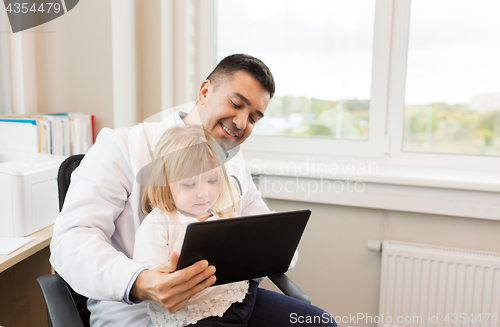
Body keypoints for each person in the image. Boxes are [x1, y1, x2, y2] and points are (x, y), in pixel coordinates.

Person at [50, 53, 337, 326]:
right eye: (236, 104)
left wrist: (279, 244)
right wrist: (141, 281)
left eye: (253, 118)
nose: (240, 123)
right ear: (204, 91)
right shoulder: (122, 147)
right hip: (140, 315)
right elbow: (70, 240)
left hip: (223, 303)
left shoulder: (233, 163)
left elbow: (264, 230)